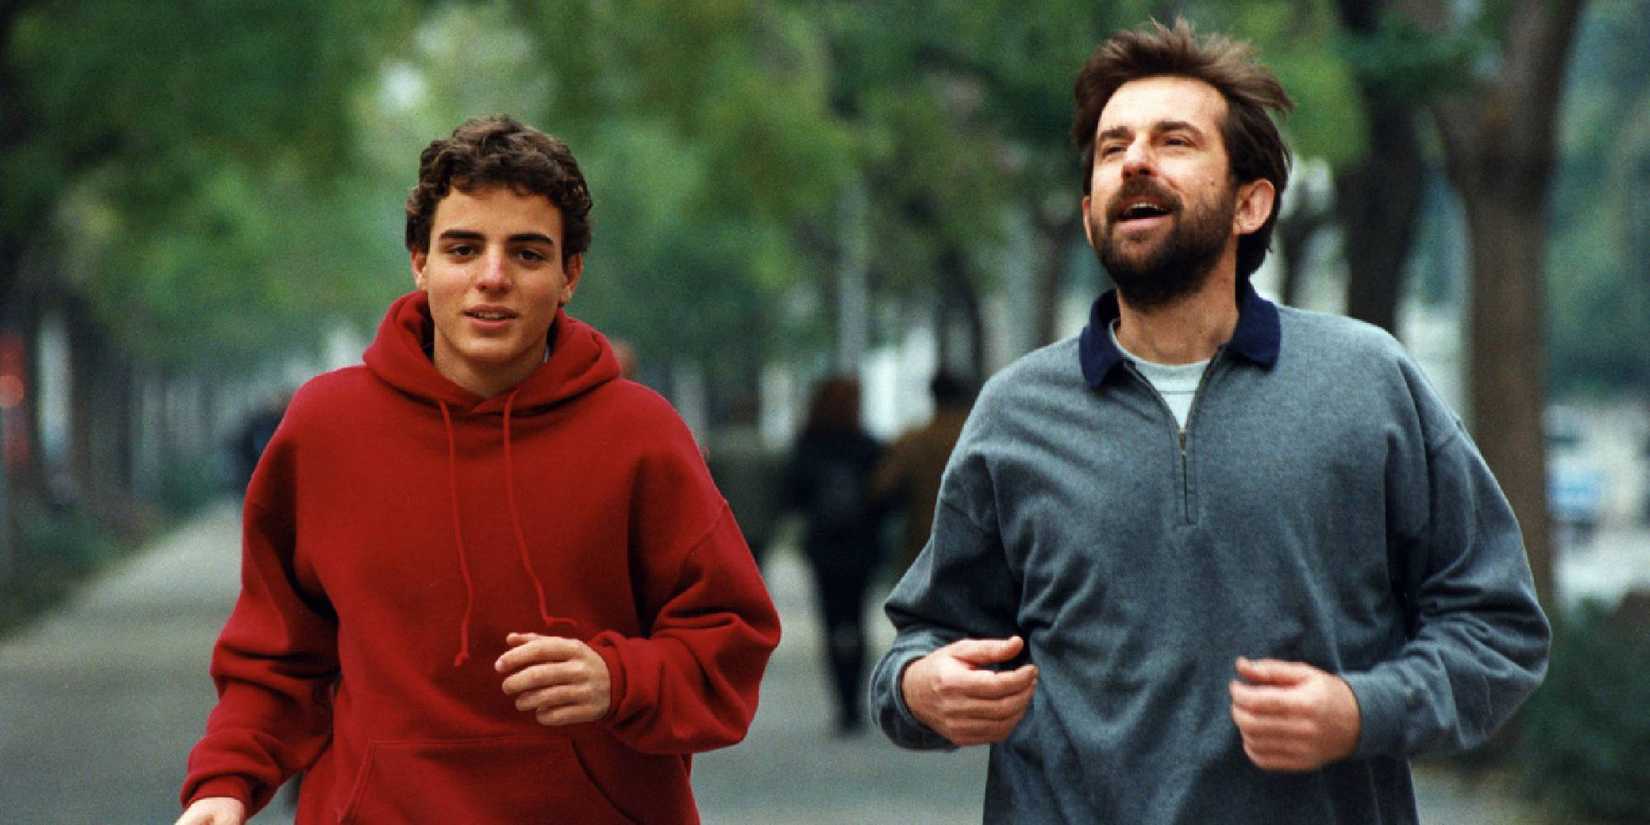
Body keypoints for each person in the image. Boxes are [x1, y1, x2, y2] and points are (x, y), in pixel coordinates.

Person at [868, 19, 1549, 824]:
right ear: (1090, 214)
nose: (1136, 162)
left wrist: (1365, 708)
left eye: (1174, 140)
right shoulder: (1015, 413)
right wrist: (921, 688)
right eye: (1113, 147)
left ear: (1250, 202)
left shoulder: (1368, 382)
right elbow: (920, 644)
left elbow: (1496, 624)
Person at [177, 115, 780, 825]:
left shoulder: (640, 434)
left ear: (569, 275)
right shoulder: (326, 428)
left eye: (527, 253)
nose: (492, 278)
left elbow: (731, 638)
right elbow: (277, 654)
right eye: (464, 248)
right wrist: (226, 780)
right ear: (420, 262)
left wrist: (620, 679)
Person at [783, 376, 884, 735]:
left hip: (824, 548)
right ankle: (856, 703)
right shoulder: (868, 446)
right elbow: (884, 496)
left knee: (830, 624)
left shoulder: (808, 445)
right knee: (856, 623)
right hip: (861, 548)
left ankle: (842, 705)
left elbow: (792, 495)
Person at [870, 371, 976, 574]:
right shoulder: (982, 438)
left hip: (923, 545)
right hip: (976, 547)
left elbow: (881, 487)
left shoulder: (913, 440)